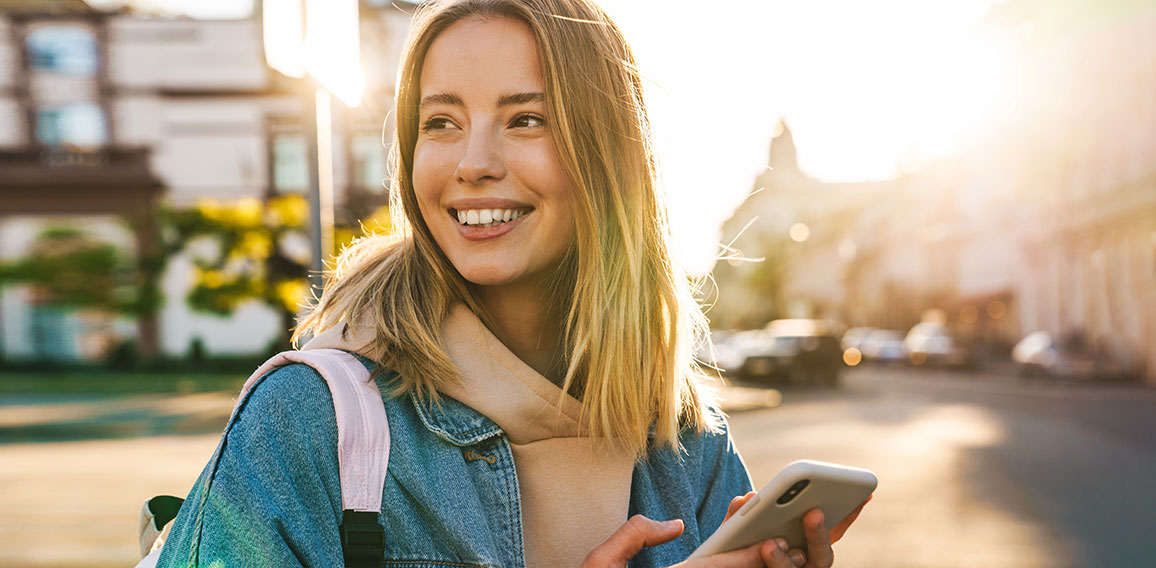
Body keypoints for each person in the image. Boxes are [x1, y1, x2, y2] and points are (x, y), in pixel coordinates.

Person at [156, 0, 866, 566]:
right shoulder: (311, 420)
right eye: (441, 122)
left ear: (606, 157)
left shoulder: (689, 444)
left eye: (525, 118)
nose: (473, 162)